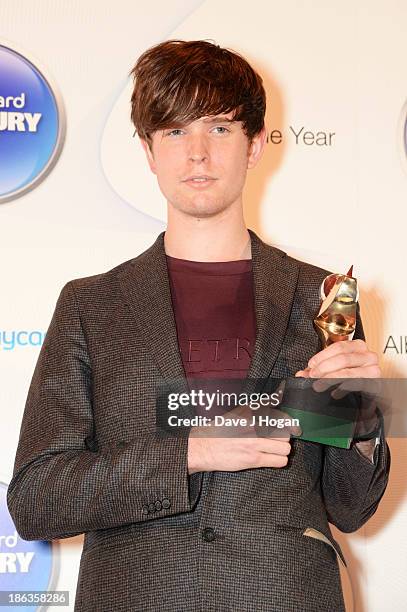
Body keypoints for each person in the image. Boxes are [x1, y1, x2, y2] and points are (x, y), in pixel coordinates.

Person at [7, 39, 390, 611]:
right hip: (138, 595)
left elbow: (351, 507)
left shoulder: (325, 296)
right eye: (175, 131)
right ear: (148, 150)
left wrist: (363, 416)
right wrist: (191, 452)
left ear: (256, 144)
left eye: (219, 129)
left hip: (282, 595)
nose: (198, 155)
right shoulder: (91, 305)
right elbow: (37, 500)